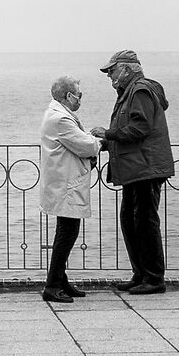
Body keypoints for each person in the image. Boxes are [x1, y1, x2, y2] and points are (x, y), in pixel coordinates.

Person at [95, 49, 173, 295]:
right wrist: (103, 143)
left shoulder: (139, 91)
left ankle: (153, 278)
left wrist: (106, 135)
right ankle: (141, 274)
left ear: (127, 69)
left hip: (145, 167)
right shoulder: (129, 92)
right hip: (135, 168)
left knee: (145, 222)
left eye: (112, 70)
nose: (109, 76)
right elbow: (128, 130)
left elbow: (139, 129)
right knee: (131, 220)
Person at [36, 76, 101, 303]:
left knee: (65, 231)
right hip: (66, 184)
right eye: (79, 95)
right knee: (67, 234)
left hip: (64, 182)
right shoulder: (61, 119)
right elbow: (85, 145)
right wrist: (100, 140)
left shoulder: (58, 115)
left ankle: (60, 280)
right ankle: (52, 285)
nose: (80, 99)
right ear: (68, 96)